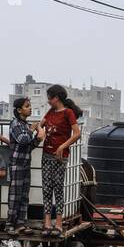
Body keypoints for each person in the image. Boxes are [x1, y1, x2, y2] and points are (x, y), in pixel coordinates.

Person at [39, 84, 81, 237]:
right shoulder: (50, 111)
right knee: (46, 187)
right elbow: (39, 124)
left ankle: (58, 222)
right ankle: (47, 222)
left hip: (59, 157)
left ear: (56, 98)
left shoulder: (68, 113)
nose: (48, 101)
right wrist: (39, 130)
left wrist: (63, 146)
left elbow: (77, 133)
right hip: (46, 154)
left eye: (49, 98)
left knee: (58, 187)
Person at [5, 97, 37, 234]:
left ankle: (20, 223)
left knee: (24, 195)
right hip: (16, 165)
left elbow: (29, 146)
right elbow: (23, 140)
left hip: (25, 163)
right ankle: (10, 224)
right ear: (19, 110)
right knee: (15, 195)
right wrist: (32, 129)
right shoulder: (16, 124)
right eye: (27, 106)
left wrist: (39, 138)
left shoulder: (25, 125)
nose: (30, 108)